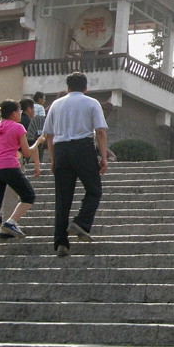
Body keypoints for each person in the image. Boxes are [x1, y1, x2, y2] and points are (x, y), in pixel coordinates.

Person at [42, 72, 108, 257]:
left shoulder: (56, 104)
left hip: (61, 149)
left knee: (62, 199)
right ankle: (81, 222)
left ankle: (61, 244)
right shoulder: (91, 103)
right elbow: (100, 132)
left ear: (68, 87)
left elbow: (49, 135)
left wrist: (53, 159)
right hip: (83, 148)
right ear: (85, 88)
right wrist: (103, 157)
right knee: (94, 190)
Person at [0, 100, 39, 255]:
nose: (20, 114)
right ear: (14, 113)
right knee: (29, 195)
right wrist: (38, 142)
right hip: (9, 167)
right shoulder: (18, 127)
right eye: (19, 111)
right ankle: (11, 222)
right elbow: (27, 152)